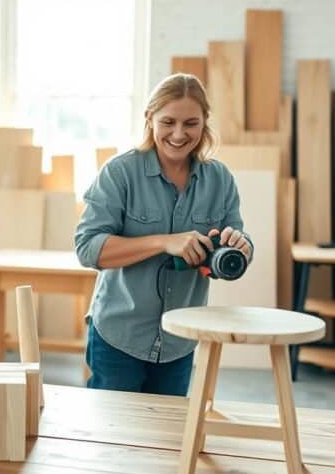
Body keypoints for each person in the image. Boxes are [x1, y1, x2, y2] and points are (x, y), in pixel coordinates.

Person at [74, 73, 253, 396]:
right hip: (119, 336)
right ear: (149, 119)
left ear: (204, 123)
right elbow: (88, 248)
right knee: (111, 440)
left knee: (166, 440)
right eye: (168, 121)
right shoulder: (120, 173)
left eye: (191, 123)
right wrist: (163, 242)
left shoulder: (220, 180)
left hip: (179, 340)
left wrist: (241, 249)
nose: (179, 134)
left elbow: (232, 248)